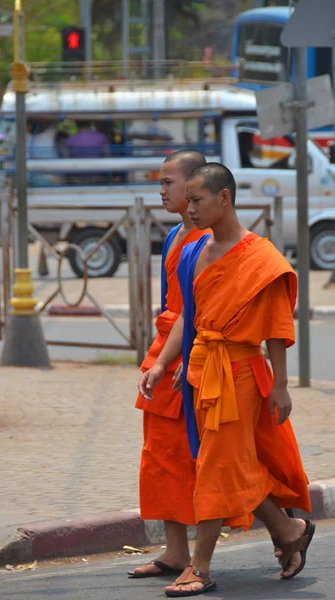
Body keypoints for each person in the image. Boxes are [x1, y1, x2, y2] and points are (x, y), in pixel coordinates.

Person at [139, 163, 314, 597]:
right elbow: (189, 316)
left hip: (240, 372)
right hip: (201, 368)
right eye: (190, 201)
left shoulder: (262, 257)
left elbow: (276, 327)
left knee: (216, 466)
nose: (190, 209)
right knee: (229, 463)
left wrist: (282, 384)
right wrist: (162, 363)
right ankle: (288, 529)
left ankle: (200, 567)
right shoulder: (198, 252)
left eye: (197, 201)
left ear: (224, 198)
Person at [129, 150, 209, 579]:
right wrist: (160, 358)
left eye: (168, 183)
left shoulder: (210, 240)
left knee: (206, 459)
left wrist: (184, 354)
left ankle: (284, 529)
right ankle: (176, 550)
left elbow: (202, 309)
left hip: (190, 359)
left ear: (196, 185)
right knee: (161, 458)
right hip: (166, 354)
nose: (161, 191)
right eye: (160, 183)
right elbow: (170, 308)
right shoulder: (174, 236)